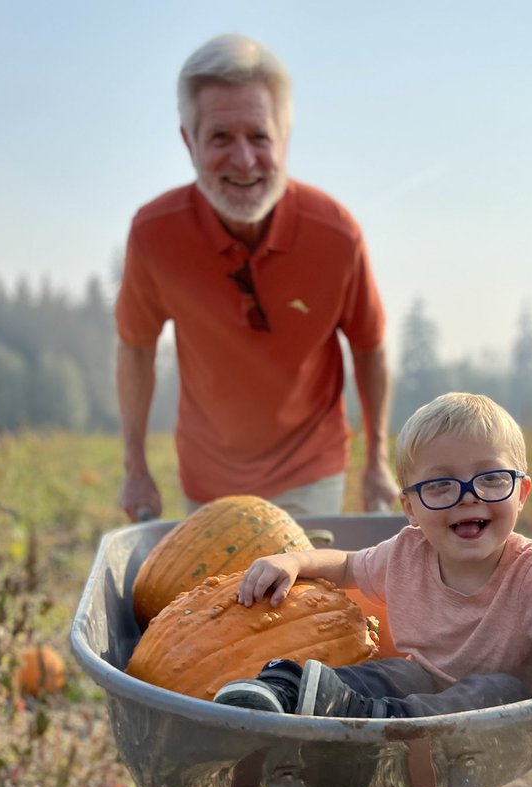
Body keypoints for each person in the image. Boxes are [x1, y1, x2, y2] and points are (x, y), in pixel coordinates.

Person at [114, 33, 399, 521]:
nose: (244, 161)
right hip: (208, 476)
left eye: (259, 137)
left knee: (301, 575)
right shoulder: (154, 235)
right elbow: (136, 347)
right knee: (220, 576)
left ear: (284, 138)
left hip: (310, 469)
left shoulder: (335, 234)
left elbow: (369, 346)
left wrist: (377, 460)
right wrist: (134, 466)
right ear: (188, 141)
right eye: (220, 137)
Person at [214, 392, 532, 719]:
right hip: (419, 683)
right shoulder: (407, 554)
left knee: (498, 687)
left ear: (520, 493)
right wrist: (295, 561)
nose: (468, 496)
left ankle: (379, 718)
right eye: (440, 485)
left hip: (493, 713)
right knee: (389, 672)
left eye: (491, 478)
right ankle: (283, 689)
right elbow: (348, 565)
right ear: (410, 509)